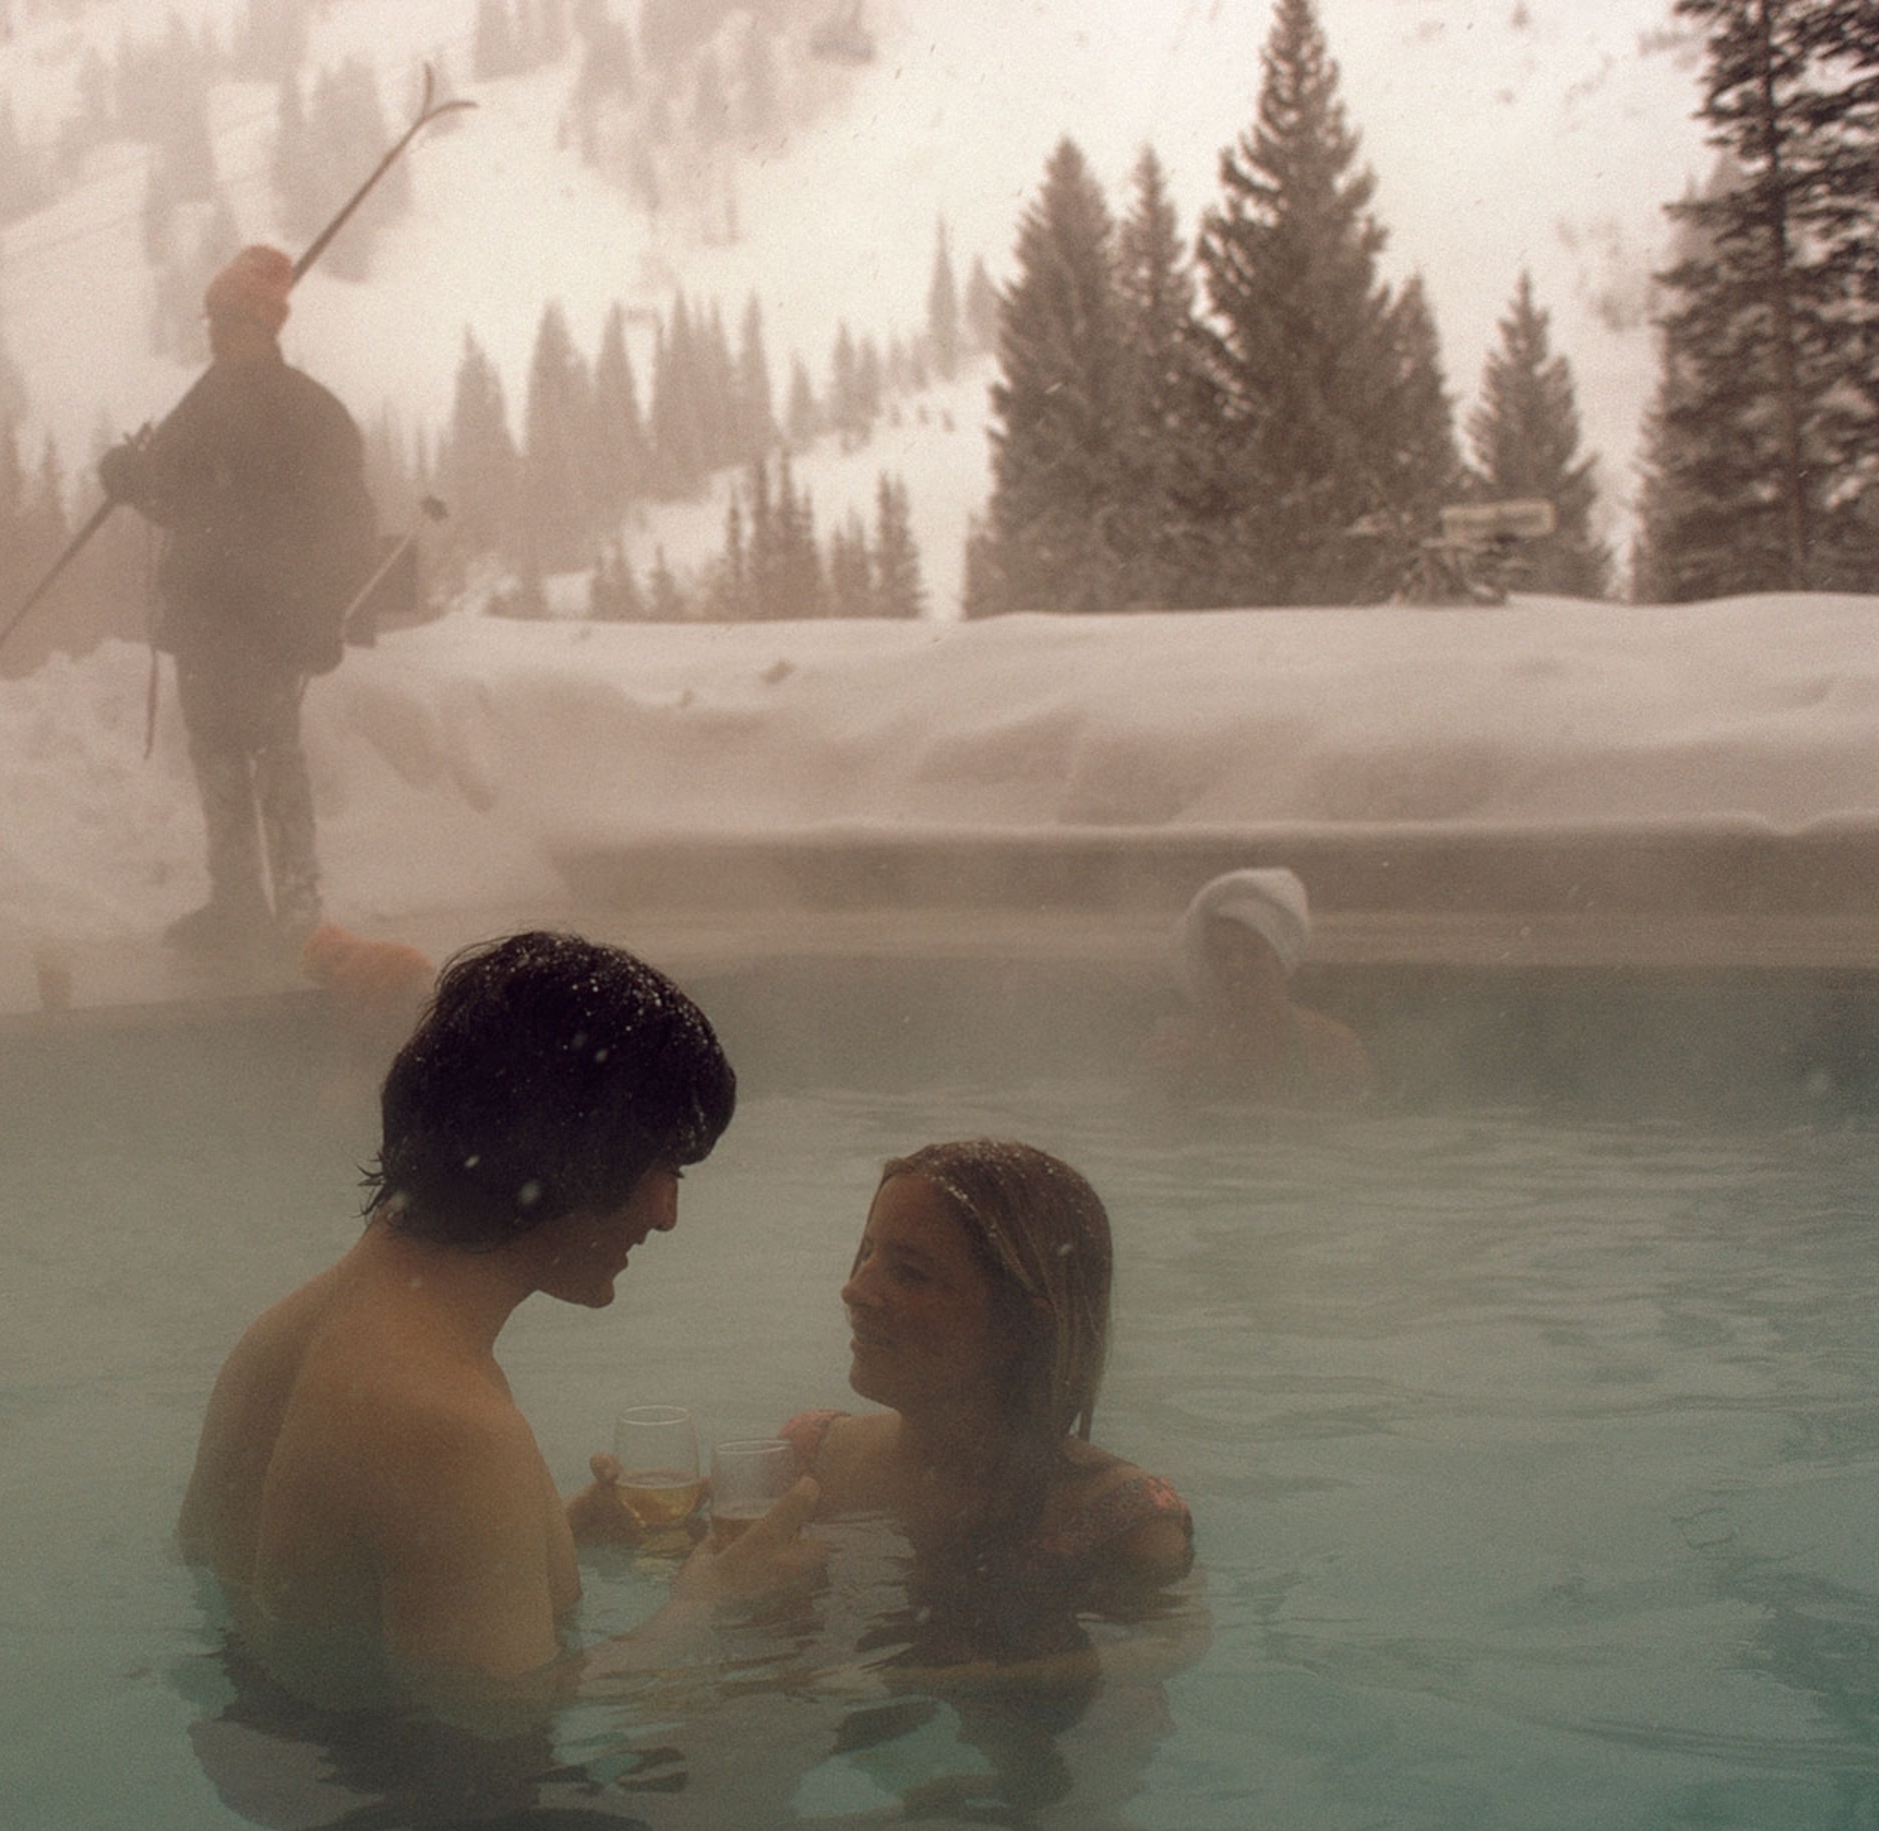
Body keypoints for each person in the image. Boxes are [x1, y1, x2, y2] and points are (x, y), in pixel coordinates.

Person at [178, 930, 825, 1714]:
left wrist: (550, 1529)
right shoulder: (455, 1434)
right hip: (416, 1828)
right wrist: (707, 1606)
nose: (667, 1213)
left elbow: (300, 1611)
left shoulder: (283, 1335)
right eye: (663, 1164)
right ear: (578, 1150)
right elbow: (492, 1747)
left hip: (311, 1802)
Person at [98, 245, 377, 954]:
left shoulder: (311, 414)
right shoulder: (198, 412)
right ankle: (235, 903)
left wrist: (323, 612)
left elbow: (348, 526)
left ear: (262, 325)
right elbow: (174, 502)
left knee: (275, 756)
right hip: (202, 614)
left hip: (273, 617)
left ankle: (298, 909)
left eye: (226, 320)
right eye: (210, 321)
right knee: (215, 756)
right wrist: (132, 481)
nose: (213, 334)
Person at [783, 1139, 1192, 1588]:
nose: (855, 1291)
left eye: (909, 1273)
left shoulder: (1118, 1521)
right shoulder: (806, 1458)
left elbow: (1156, 1650)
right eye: (867, 1253)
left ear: (1024, 1324)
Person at [1141, 867, 1373, 1105]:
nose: (1237, 966)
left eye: (1253, 952)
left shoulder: (1329, 1044)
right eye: (1224, 955)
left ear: (1281, 957)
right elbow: (1155, 1130)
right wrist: (1173, 1083)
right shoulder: (1181, 1042)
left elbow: (1350, 1127)